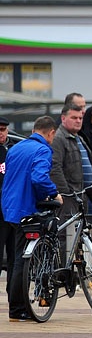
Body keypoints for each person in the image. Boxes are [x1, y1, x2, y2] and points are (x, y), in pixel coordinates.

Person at [2, 116, 62, 322]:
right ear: (51, 132)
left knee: (17, 258)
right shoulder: (43, 149)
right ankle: (18, 308)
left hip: (10, 208)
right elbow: (39, 178)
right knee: (22, 260)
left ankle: (16, 307)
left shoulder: (16, 148)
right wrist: (54, 194)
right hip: (27, 209)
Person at [50, 104, 91, 218]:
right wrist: (67, 193)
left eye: (80, 118)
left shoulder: (79, 138)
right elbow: (55, 168)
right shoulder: (58, 138)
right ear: (63, 118)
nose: (78, 121)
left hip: (80, 195)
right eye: (74, 118)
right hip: (68, 198)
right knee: (65, 234)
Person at [0, 116, 16, 300]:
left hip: (11, 211)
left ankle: (14, 297)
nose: (1, 133)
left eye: (4, 129)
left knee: (15, 257)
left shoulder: (12, 150)